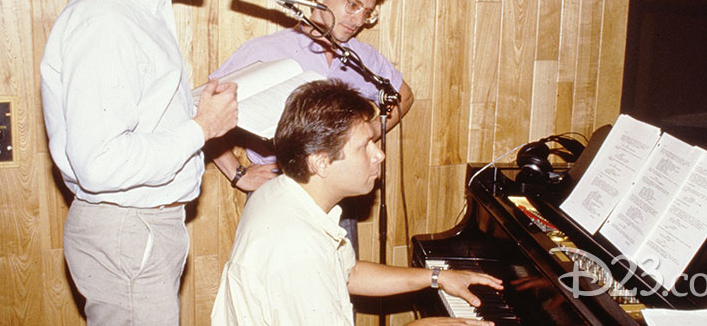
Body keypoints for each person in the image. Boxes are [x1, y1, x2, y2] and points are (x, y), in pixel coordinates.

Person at [40, 0, 237, 325]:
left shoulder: (134, 6)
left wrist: (192, 106)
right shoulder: (108, 19)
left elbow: (134, 114)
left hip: (138, 229)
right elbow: (101, 161)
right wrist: (202, 127)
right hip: (129, 229)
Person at [211, 80, 500, 325]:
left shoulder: (280, 192)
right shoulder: (298, 249)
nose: (380, 155)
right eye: (365, 147)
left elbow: (348, 273)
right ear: (322, 163)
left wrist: (436, 277)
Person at [209, 0, 415, 250]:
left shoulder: (362, 57)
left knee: (339, 284)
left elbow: (402, 97)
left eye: (367, 12)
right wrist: (237, 173)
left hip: (335, 193)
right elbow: (205, 108)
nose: (358, 20)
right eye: (353, 5)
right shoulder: (265, 50)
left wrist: (366, 134)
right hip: (278, 190)